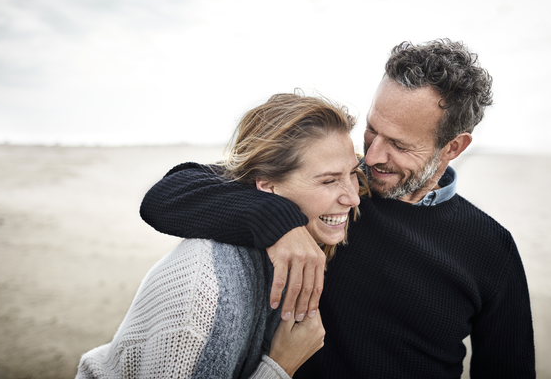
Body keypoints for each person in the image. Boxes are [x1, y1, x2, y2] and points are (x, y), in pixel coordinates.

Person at [140, 39, 536, 378]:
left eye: (399, 144)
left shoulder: (493, 249)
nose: (373, 155)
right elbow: (169, 194)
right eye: (372, 129)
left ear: (454, 147)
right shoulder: (334, 190)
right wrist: (279, 223)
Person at [76, 93, 366, 378]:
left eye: (353, 172)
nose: (354, 197)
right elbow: (167, 192)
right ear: (267, 187)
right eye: (329, 180)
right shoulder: (202, 297)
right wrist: (280, 366)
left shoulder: (361, 198)